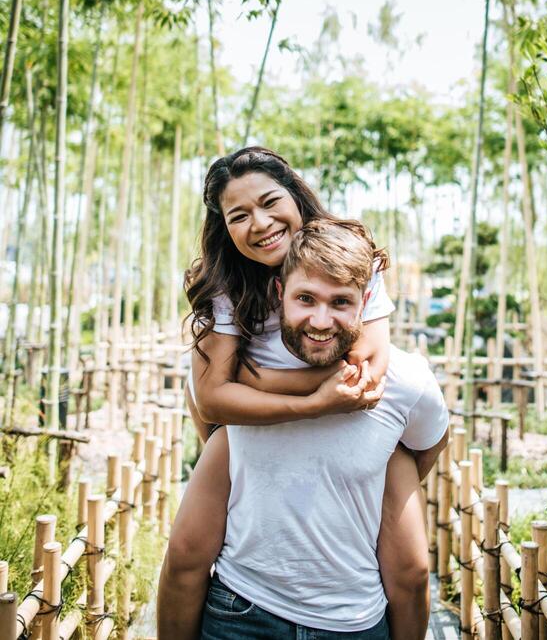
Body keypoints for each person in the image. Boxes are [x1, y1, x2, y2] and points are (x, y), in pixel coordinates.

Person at [157, 148, 432, 640]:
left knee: (410, 564)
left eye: (269, 202)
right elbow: (212, 399)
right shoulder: (226, 281)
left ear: (296, 196)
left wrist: (253, 377)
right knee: (187, 554)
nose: (259, 224)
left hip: (337, 431)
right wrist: (315, 400)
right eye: (239, 215)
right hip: (243, 431)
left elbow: (364, 366)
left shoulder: (350, 256)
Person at [200, 218, 449, 638]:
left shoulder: (404, 381)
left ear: (366, 301)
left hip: (353, 620)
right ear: (280, 295)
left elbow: (431, 442)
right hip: (242, 608)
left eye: (340, 303)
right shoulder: (237, 377)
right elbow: (186, 553)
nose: (320, 320)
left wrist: (382, 476)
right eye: (306, 299)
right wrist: (314, 405)